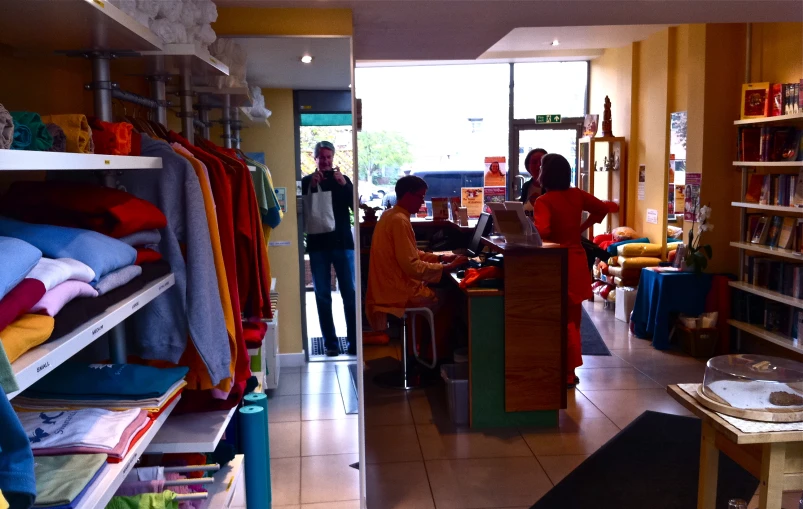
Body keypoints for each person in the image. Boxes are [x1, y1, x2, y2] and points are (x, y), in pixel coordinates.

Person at [532, 154, 617, 387]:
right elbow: (601, 209)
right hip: (577, 259)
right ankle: (570, 372)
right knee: (574, 320)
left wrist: (527, 228)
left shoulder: (544, 201)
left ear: (545, 173)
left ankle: (562, 370)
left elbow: (544, 231)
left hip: (556, 263)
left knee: (560, 320)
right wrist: (581, 227)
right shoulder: (577, 194)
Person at [365, 176, 468, 362]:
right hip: (397, 291)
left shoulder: (390, 215)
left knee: (436, 293)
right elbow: (411, 265)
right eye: (420, 197)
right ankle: (432, 357)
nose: (422, 202)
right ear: (407, 195)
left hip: (385, 287)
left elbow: (412, 254)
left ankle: (416, 352)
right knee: (452, 299)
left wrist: (442, 258)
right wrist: (447, 267)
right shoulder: (399, 221)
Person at [302, 141, 357, 356]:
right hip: (317, 246)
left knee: (349, 294)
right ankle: (330, 343)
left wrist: (345, 185)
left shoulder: (342, 180)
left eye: (328, 157)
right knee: (322, 294)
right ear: (314, 159)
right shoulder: (307, 181)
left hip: (343, 243)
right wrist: (312, 188)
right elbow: (304, 213)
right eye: (321, 157)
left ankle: (353, 341)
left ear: (333, 158)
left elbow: (355, 206)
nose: (325, 161)